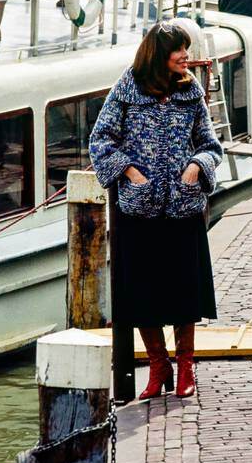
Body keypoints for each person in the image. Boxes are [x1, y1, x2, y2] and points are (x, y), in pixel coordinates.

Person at [88, 22, 223, 400]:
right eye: (178, 50)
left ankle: (185, 367)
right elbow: (100, 141)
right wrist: (131, 173)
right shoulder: (126, 90)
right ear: (157, 55)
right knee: (142, 293)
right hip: (140, 210)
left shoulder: (190, 89)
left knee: (185, 291)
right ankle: (158, 364)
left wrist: (196, 166)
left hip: (183, 206)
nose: (185, 55)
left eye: (185, 49)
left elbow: (211, 145)